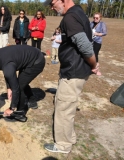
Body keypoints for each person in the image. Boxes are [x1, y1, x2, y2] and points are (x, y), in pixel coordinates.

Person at [44, 0, 100, 153]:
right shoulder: (79, 12)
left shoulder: (69, 17)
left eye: (52, 2)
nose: (51, 7)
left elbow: (85, 46)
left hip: (73, 72)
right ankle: (71, 138)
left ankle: (63, 145)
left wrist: (94, 65)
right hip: (77, 70)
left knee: (63, 108)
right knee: (68, 106)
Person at [0, 45, 45, 122]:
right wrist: (9, 87)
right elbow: (7, 73)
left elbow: (15, 88)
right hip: (29, 58)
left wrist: (11, 108)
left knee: (20, 86)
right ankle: (32, 100)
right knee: (22, 81)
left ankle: (20, 113)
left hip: (36, 62)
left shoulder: (6, 65)